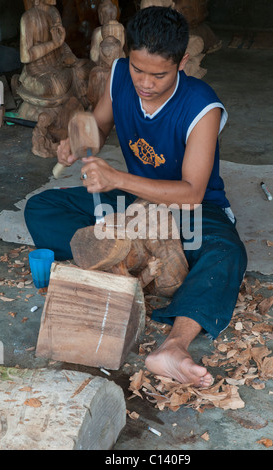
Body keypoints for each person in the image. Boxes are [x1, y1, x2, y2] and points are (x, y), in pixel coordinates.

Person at [25, 6, 247, 388]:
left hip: (190, 210)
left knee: (226, 254)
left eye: (159, 74)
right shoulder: (118, 78)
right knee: (42, 208)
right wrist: (75, 144)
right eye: (137, 69)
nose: (145, 82)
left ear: (183, 61)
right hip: (134, 207)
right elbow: (99, 125)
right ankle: (138, 260)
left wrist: (117, 179)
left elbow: (192, 192)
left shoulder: (202, 107)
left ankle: (173, 346)